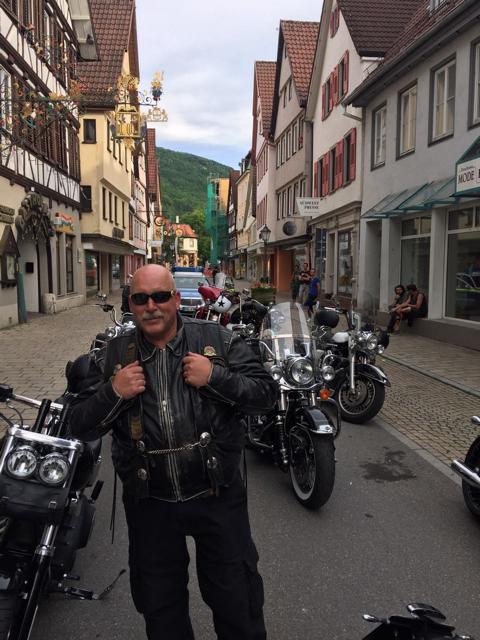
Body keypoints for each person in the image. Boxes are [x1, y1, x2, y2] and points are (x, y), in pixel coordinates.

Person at [69, 264, 277, 640]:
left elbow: (265, 396)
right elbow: (79, 425)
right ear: (130, 305)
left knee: (236, 601)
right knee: (161, 608)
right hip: (150, 501)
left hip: (216, 492)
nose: (151, 306)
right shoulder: (111, 354)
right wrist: (113, 392)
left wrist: (215, 377)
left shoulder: (218, 339)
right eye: (141, 298)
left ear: (176, 299)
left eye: (160, 296)